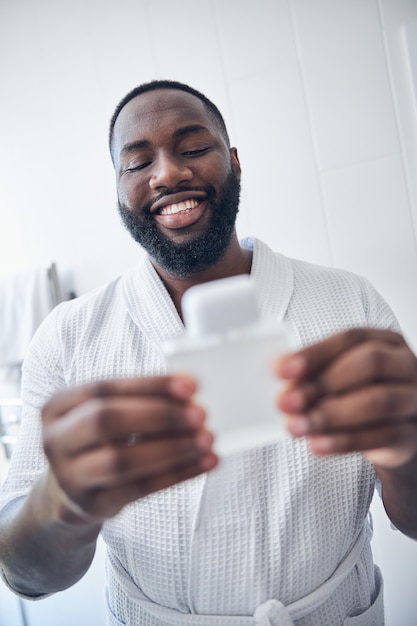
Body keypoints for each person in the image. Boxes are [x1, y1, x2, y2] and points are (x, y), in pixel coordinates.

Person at [1, 79, 417, 626]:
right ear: (118, 189)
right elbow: (25, 575)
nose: (169, 172)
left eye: (194, 148)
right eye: (137, 162)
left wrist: (407, 448)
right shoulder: (68, 338)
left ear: (235, 162)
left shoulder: (350, 302)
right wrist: (64, 503)